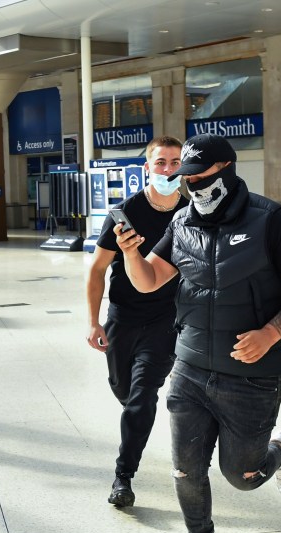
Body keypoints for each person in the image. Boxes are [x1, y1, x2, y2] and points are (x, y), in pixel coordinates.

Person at [116, 134, 281, 533]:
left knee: (243, 477)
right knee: (186, 469)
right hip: (189, 366)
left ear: (227, 169)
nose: (191, 187)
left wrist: (270, 333)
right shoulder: (183, 222)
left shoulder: (271, 221)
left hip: (250, 378)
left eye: (200, 177)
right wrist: (132, 252)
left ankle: (280, 449)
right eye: (184, 180)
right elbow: (149, 280)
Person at [85, 136, 187, 508]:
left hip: (166, 322)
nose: (168, 170)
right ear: (147, 167)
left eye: (175, 162)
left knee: (142, 399)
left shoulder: (190, 214)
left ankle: (123, 476)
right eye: (161, 162)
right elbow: (97, 270)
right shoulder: (123, 214)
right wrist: (93, 322)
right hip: (122, 320)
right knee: (125, 393)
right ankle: (136, 427)